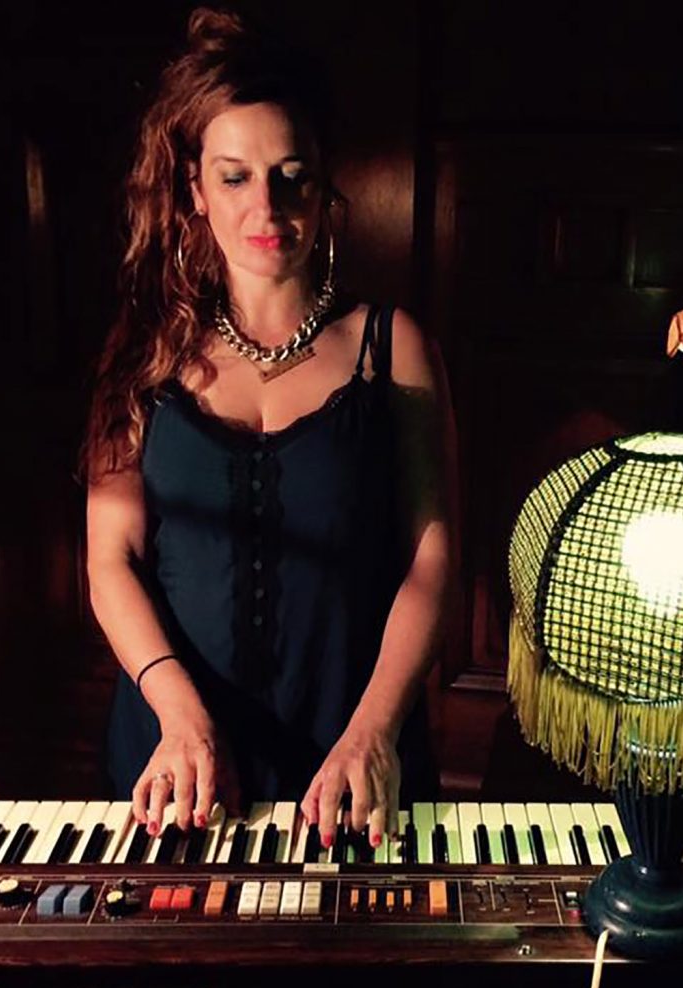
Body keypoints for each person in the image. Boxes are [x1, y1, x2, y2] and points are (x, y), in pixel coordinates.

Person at [82, 6, 456, 852]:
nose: (268, 205)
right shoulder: (142, 352)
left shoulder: (391, 348)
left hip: (355, 760)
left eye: (292, 175)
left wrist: (373, 732)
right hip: (178, 761)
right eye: (235, 176)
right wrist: (180, 718)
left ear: (325, 190)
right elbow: (111, 560)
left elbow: (434, 561)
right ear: (193, 191)